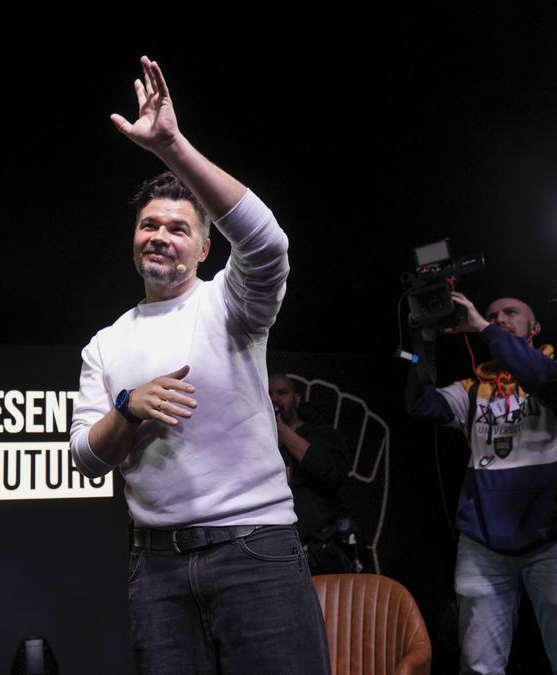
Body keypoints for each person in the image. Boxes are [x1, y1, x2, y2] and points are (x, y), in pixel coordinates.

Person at [69, 57, 329, 674]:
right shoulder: (105, 344)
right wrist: (128, 409)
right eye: (148, 225)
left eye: (178, 229)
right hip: (155, 565)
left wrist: (171, 148)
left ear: (205, 248)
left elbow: (267, 242)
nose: (160, 235)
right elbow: (85, 456)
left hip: (255, 551)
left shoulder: (231, 304)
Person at [406, 293, 557, 675]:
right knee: (478, 666)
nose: (499, 318)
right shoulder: (473, 389)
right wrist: (422, 341)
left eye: (511, 313)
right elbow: (420, 404)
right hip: (484, 546)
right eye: (492, 315)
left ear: (535, 327)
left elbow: (544, 377)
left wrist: (481, 327)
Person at [268, 372, 358, 574]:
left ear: (296, 398)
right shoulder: (260, 443)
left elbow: (332, 472)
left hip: (323, 549)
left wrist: (284, 433)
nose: (274, 399)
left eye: (282, 393)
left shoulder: (321, 433)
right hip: (280, 551)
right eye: (269, 394)